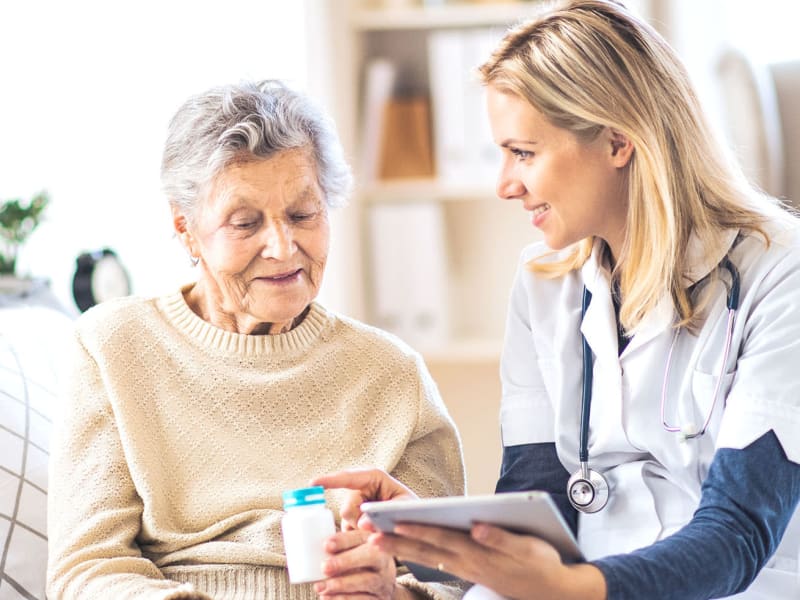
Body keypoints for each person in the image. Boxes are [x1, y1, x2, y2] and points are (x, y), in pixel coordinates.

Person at [313, 1, 800, 598]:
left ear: (618, 141)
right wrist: (428, 537)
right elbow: (539, 500)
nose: (504, 184)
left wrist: (573, 589)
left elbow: (739, 532)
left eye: (524, 152)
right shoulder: (544, 281)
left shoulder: (780, 271)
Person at [46, 80, 466, 600]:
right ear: (185, 228)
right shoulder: (114, 347)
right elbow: (87, 569)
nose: (283, 246)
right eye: (245, 223)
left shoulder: (390, 372)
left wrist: (392, 594)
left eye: (303, 214)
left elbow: (454, 579)